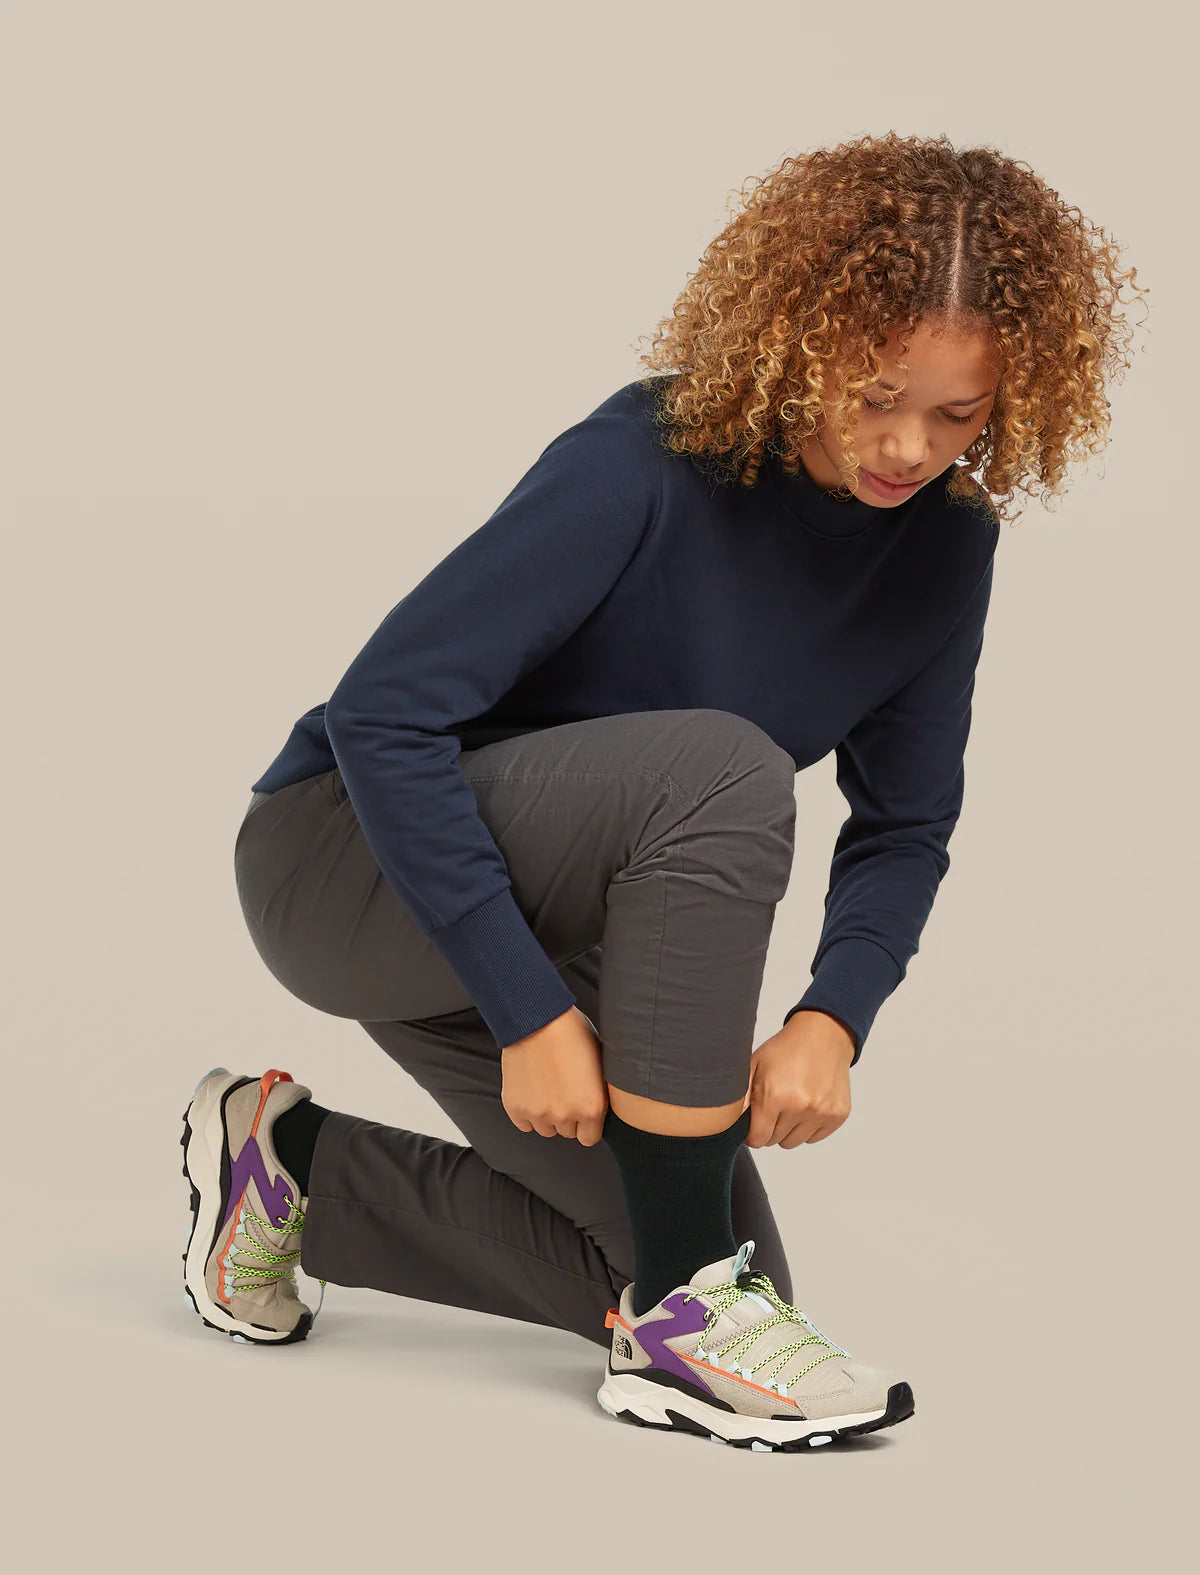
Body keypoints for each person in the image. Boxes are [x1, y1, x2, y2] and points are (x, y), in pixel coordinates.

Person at [181, 131, 1145, 1452]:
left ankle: (290, 1173)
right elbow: (383, 715)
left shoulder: (943, 550)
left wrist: (835, 1017)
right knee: (723, 771)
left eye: (958, 414)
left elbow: (907, 822)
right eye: (875, 394)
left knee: (721, 1265)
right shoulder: (648, 458)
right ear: (800, 338)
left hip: (570, 914)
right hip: (350, 861)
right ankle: (692, 1331)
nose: (908, 444)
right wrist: (529, 1013)